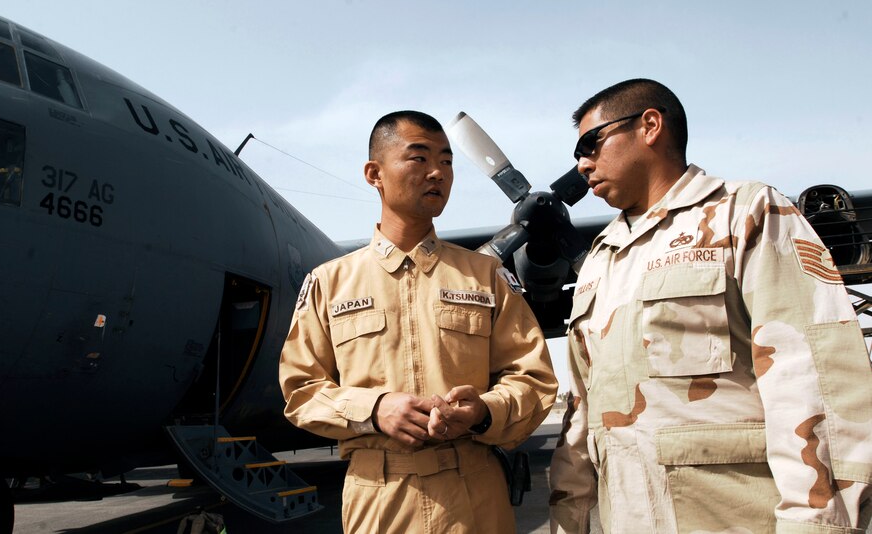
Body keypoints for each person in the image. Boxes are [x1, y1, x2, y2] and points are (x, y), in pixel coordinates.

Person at [549, 79, 872, 533]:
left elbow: (816, 375)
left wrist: (819, 523)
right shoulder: (600, 259)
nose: (582, 164)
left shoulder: (745, 213)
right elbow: (581, 409)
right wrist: (569, 520)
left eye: (591, 143)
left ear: (650, 126)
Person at [280, 110, 558, 533]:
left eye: (447, 162)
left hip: (475, 495)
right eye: (419, 158)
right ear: (375, 173)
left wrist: (484, 411)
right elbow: (301, 390)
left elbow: (533, 378)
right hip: (377, 497)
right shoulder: (328, 283)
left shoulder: (485, 276)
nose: (438, 173)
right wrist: (373, 409)